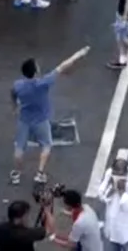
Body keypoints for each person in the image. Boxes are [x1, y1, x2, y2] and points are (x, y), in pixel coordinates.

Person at [11, 48, 89, 185]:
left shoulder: (18, 85)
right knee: (46, 145)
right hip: (41, 120)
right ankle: (40, 173)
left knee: (19, 147)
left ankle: (16, 173)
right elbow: (62, 66)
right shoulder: (43, 83)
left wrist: (14, 107)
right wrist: (78, 55)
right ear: (35, 72)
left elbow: (13, 94)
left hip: (24, 119)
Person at [96, 157, 128, 251]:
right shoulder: (110, 173)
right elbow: (101, 195)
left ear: (126, 173)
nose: (116, 178)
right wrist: (111, 187)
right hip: (112, 227)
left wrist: (122, 192)